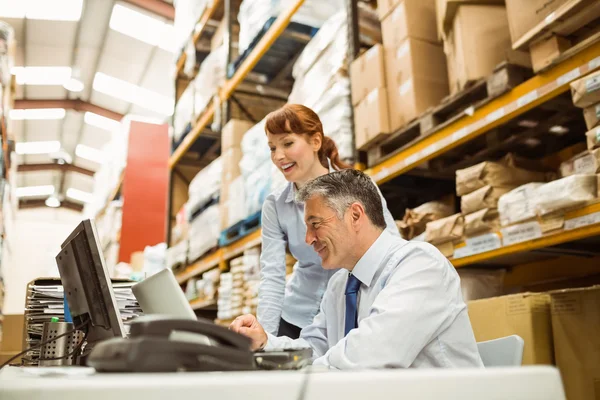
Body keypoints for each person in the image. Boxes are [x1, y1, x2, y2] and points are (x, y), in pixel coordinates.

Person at [231, 170, 483, 369]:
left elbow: (369, 358)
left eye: (315, 224)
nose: (308, 239)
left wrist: (303, 374)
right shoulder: (341, 284)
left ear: (354, 215)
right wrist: (266, 343)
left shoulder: (419, 266)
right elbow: (315, 348)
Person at [259, 104, 399, 340]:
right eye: (272, 148)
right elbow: (272, 276)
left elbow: (390, 247)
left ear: (315, 142)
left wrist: (388, 311)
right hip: (297, 317)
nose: (278, 156)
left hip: (352, 313)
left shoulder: (358, 188)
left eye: (288, 143)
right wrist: (265, 339)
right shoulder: (276, 205)